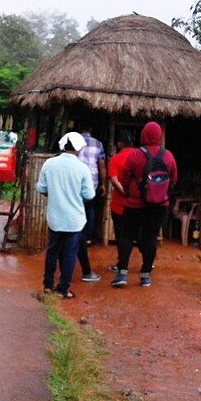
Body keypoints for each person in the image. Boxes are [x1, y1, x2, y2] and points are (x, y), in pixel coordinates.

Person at [111, 121, 177, 288]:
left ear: (143, 135)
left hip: (135, 204)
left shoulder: (135, 155)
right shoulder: (168, 156)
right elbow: (174, 180)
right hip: (159, 206)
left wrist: (130, 191)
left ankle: (122, 273)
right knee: (150, 238)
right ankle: (146, 275)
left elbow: (124, 178)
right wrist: (160, 193)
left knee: (126, 236)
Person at [37, 132, 96, 298]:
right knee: (70, 253)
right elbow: (89, 195)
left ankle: (48, 285)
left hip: (55, 217)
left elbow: (42, 188)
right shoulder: (83, 168)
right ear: (78, 148)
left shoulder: (49, 164)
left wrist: (55, 194)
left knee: (52, 251)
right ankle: (63, 289)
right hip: (74, 220)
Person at [76, 122, 106, 282]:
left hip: (76, 184)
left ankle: (78, 234)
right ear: (91, 128)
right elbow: (101, 165)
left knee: (77, 210)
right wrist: (102, 183)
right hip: (91, 183)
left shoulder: (74, 142)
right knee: (90, 209)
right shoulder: (98, 143)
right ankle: (87, 235)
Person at [107, 130, 134, 272]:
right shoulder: (139, 156)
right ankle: (148, 263)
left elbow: (113, 179)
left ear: (119, 144)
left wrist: (124, 192)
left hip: (119, 205)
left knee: (121, 236)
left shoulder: (115, 158)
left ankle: (122, 264)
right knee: (137, 233)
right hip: (137, 204)